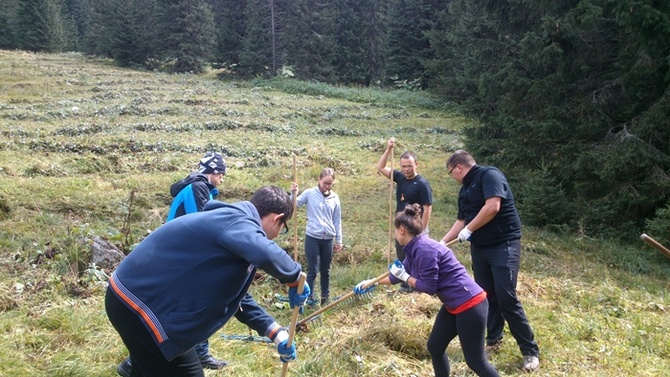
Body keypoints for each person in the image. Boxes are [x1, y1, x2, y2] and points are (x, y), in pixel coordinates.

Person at [106, 185, 311, 377]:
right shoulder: (237, 222)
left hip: (131, 299)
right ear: (278, 219)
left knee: (152, 366)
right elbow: (266, 254)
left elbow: (236, 297)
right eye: (282, 229)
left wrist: (275, 332)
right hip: (141, 307)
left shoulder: (233, 229)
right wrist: (294, 277)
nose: (275, 237)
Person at [353, 204, 499, 377]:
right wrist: (371, 283)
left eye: (394, 231)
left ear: (401, 230)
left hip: (470, 303)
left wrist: (406, 277)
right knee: (435, 347)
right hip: (454, 304)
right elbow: (394, 277)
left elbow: (429, 288)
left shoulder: (424, 250)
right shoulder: (414, 248)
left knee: (476, 361)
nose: (394, 234)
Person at [116, 152, 229, 376]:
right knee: (185, 308)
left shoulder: (197, 187)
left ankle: (194, 352)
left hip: (181, 255)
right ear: (214, 172)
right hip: (183, 258)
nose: (223, 179)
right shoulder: (198, 188)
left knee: (182, 308)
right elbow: (202, 224)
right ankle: (134, 363)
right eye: (221, 174)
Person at [439, 150, 540, 372]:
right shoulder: (465, 190)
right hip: (481, 248)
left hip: (504, 244)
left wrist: (469, 229)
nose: (452, 177)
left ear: (458, 167)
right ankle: (493, 339)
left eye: (450, 173)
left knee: (506, 296)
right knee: (486, 295)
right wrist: (442, 243)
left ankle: (530, 351)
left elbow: (492, 207)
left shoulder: (490, 175)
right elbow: (461, 220)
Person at [376, 137, 433, 292]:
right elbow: (381, 167)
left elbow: (427, 208)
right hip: (401, 226)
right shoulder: (400, 177)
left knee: (416, 258)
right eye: (403, 166)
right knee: (402, 256)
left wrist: (422, 228)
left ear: (416, 165)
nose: (406, 169)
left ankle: (418, 288)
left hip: (416, 228)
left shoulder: (422, 184)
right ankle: (405, 286)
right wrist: (388, 149)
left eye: (409, 166)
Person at [291, 168, 343, 306]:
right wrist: (293, 193)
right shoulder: (310, 193)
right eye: (325, 183)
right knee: (313, 270)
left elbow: (337, 220)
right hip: (313, 237)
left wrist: (339, 240)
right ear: (319, 180)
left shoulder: (335, 198)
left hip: (328, 239)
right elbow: (294, 205)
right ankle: (310, 298)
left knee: (325, 270)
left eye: (330, 184)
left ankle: (325, 298)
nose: (327, 186)